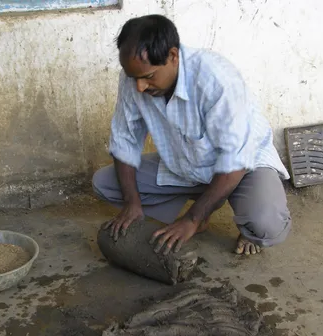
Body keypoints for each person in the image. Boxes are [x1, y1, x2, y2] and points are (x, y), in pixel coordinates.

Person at [93, 14, 292, 256]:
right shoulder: (134, 78)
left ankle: (229, 222)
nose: (139, 87)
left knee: (265, 224)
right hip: (186, 164)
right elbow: (124, 141)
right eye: (134, 78)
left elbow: (236, 159)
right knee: (106, 184)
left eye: (148, 77)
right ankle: (202, 209)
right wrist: (132, 204)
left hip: (242, 167)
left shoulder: (217, 80)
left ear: (173, 57)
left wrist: (192, 219)